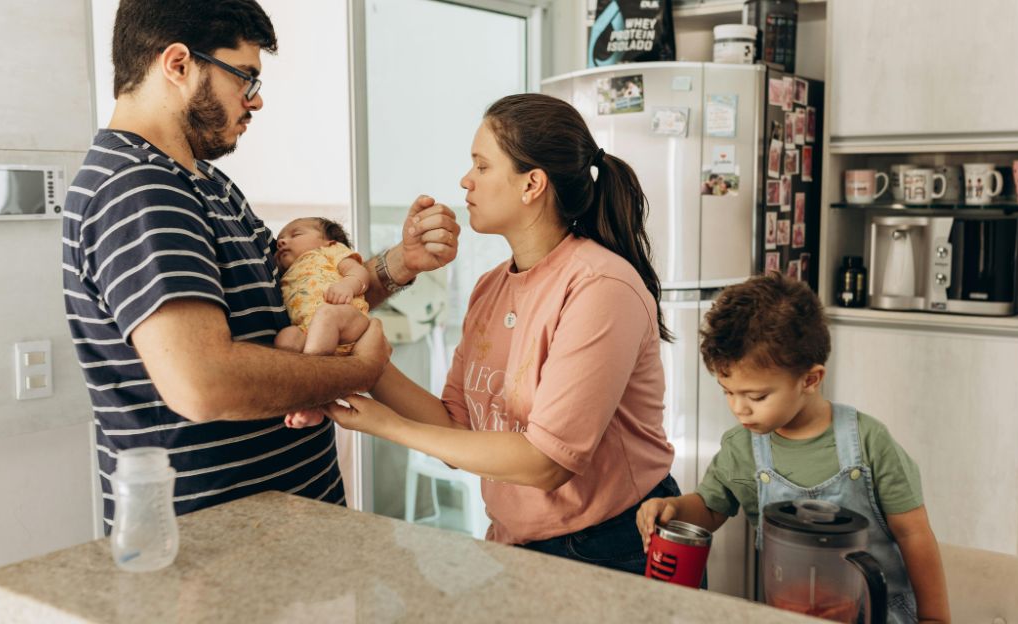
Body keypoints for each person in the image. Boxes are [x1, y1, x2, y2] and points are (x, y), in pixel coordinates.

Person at [61, 0, 460, 529]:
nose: (256, 100)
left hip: (287, 523)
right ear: (178, 64)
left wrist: (396, 265)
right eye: (245, 78)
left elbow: (296, 303)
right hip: (218, 543)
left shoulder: (205, 182)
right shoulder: (140, 190)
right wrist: (358, 371)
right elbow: (203, 384)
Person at [326, 93, 676, 575]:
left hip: (613, 546)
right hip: (517, 542)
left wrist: (387, 426)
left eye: (482, 165)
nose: (465, 180)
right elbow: (456, 430)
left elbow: (546, 463)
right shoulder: (491, 287)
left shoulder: (601, 287)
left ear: (532, 184)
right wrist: (364, 362)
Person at [635, 273, 949, 623]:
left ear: (810, 379)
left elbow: (913, 533)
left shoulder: (869, 442)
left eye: (757, 396)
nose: (739, 409)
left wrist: (934, 618)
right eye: (728, 392)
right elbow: (709, 509)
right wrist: (674, 508)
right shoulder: (742, 449)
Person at [274, 217, 371, 429]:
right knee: (287, 337)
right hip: (312, 337)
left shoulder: (329, 251)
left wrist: (348, 285)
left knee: (326, 314)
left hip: (347, 322)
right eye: (280, 239)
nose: (281, 242)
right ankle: (298, 398)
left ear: (329, 241)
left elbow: (359, 272)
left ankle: (312, 398)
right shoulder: (284, 275)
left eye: (295, 234)